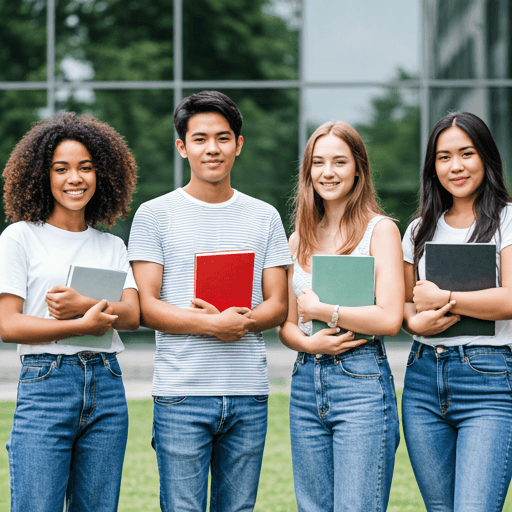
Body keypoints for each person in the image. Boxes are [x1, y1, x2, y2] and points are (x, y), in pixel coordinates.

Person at [128, 90, 291, 512]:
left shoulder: (265, 215)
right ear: (182, 147)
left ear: (239, 144)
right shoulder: (154, 214)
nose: (212, 148)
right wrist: (212, 325)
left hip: (248, 394)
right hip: (181, 393)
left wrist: (245, 323)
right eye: (199, 139)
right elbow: (146, 305)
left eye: (222, 138)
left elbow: (278, 304)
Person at [0, 112, 140, 512]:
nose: (74, 178)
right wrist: (82, 324)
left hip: (107, 382)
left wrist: (84, 307)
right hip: (46, 384)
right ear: (42, 176)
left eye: (86, 168)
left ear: (103, 175)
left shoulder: (111, 245)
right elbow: (8, 324)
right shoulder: (21, 237)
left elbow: (131, 316)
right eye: (61, 169)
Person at [278, 121, 404, 512]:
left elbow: (389, 319)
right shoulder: (299, 237)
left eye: (339, 162)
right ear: (308, 171)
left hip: (361, 383)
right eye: (318, 163)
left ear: (358, 169)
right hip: (305, 381)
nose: (327, 172)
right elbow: (286, 323)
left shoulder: (379, 231)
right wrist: (307, 341)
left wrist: (325, 312)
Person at [401, 111, 512, 512]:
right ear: (433, 167)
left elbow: (510, 300)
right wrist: (417, 320)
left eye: (466, 153)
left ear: (485, 157)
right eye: (444, 157)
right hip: (422, 382)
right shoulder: (417, 230)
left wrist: (443, 297)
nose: (456, 166)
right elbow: (407, 308)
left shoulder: (507, 219)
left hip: (489, 382)